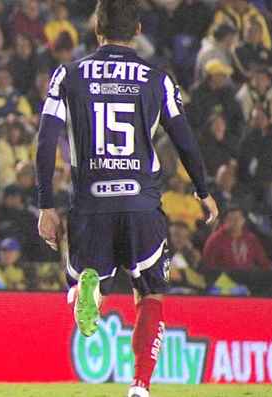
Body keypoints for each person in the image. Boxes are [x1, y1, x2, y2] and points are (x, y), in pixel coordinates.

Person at [35, 2, 218, 397]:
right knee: (148, 293)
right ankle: (139, 385)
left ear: (95, 27)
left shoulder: (68, 74)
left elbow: (46, 140)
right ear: (137, 28)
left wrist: (45, 205)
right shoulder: (157, 78)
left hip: (91, 203)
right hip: (141, 204)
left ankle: (89, 288)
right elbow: (185, 140)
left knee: (88, 272)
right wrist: (203, 191)